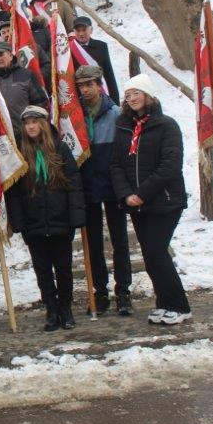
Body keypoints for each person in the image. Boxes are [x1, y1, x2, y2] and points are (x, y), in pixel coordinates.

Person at [110, 74, 192, 325]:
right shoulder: (124, 126)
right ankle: (163, 302)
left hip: (164, 201)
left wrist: (141, 194)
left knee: (157, 251)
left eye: (136, 93)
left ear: (148, 95)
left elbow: (170, 165)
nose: (132, 98)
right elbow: (116, 164)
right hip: (136, 203)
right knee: (149, 254)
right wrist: (126, 194)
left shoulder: (166, 125)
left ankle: (179, 305)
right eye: (128, 94)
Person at [7, 106, 86, 331]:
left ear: (43, 123)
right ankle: (51, 309)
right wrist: (19, 222)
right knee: (42, 270)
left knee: (63, 269)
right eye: (27, 123)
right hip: (34, 223)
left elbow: (73, 183)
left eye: (35, 121)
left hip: (60, 220)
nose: (31, 126)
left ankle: (66, 309)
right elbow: (14, 193)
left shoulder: (60, 148)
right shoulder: (20, 152)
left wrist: (75, 216)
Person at [75, 65, 132, 315]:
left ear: (100, 85)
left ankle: (123, 291)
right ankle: (100, 291)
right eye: (82, 86)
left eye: (90, 84)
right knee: (93, 243)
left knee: (119, 240)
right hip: (87, 186)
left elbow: (124, 152)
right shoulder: (73, 116)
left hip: (112, 185)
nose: (86, 90)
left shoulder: (117, 114)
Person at [0, 42, 49, 136]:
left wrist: (32, 125)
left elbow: (40, 102)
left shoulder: (26, 75)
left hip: (25, 136)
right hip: (1, 138)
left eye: (1, 55)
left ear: (10, 56)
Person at [71, 17, 120, 99]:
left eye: (84, 30)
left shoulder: (101, 46)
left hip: (101, 94)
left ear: (91, 30)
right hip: (81, 96)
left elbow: (108, 74)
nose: (81, 33)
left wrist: (115, 100)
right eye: (78, 31)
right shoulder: (70, 49)